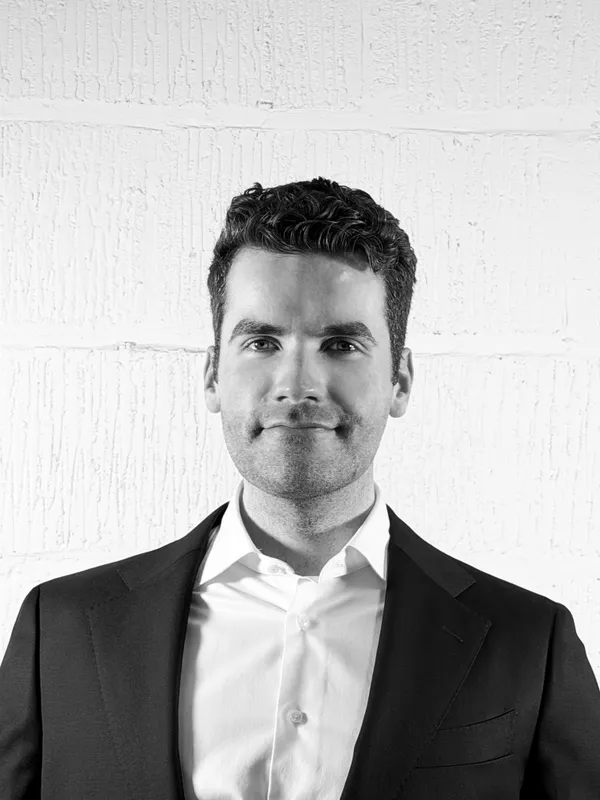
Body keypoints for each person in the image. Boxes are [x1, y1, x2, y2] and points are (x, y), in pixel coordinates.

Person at [1, 177, 599, 799]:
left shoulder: (528, 643)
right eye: (262, 342)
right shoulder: (61, 630)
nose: (297, 383)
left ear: (399, 382)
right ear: (212, 376)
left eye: (341, 345)